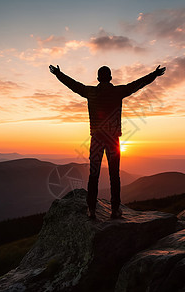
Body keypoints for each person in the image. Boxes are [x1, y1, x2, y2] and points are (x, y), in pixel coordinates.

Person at [49, 64, 166, 219]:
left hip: (96, 139)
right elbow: (138, 84)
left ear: (98, 78)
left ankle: (91, 210)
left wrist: (58, 73)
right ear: (110, 78)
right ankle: (115, 209)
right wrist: (154, 74)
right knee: (114, 175)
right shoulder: (118, 92)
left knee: (93, 175)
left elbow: (73, 85)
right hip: (113, 140)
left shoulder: (90, 92)